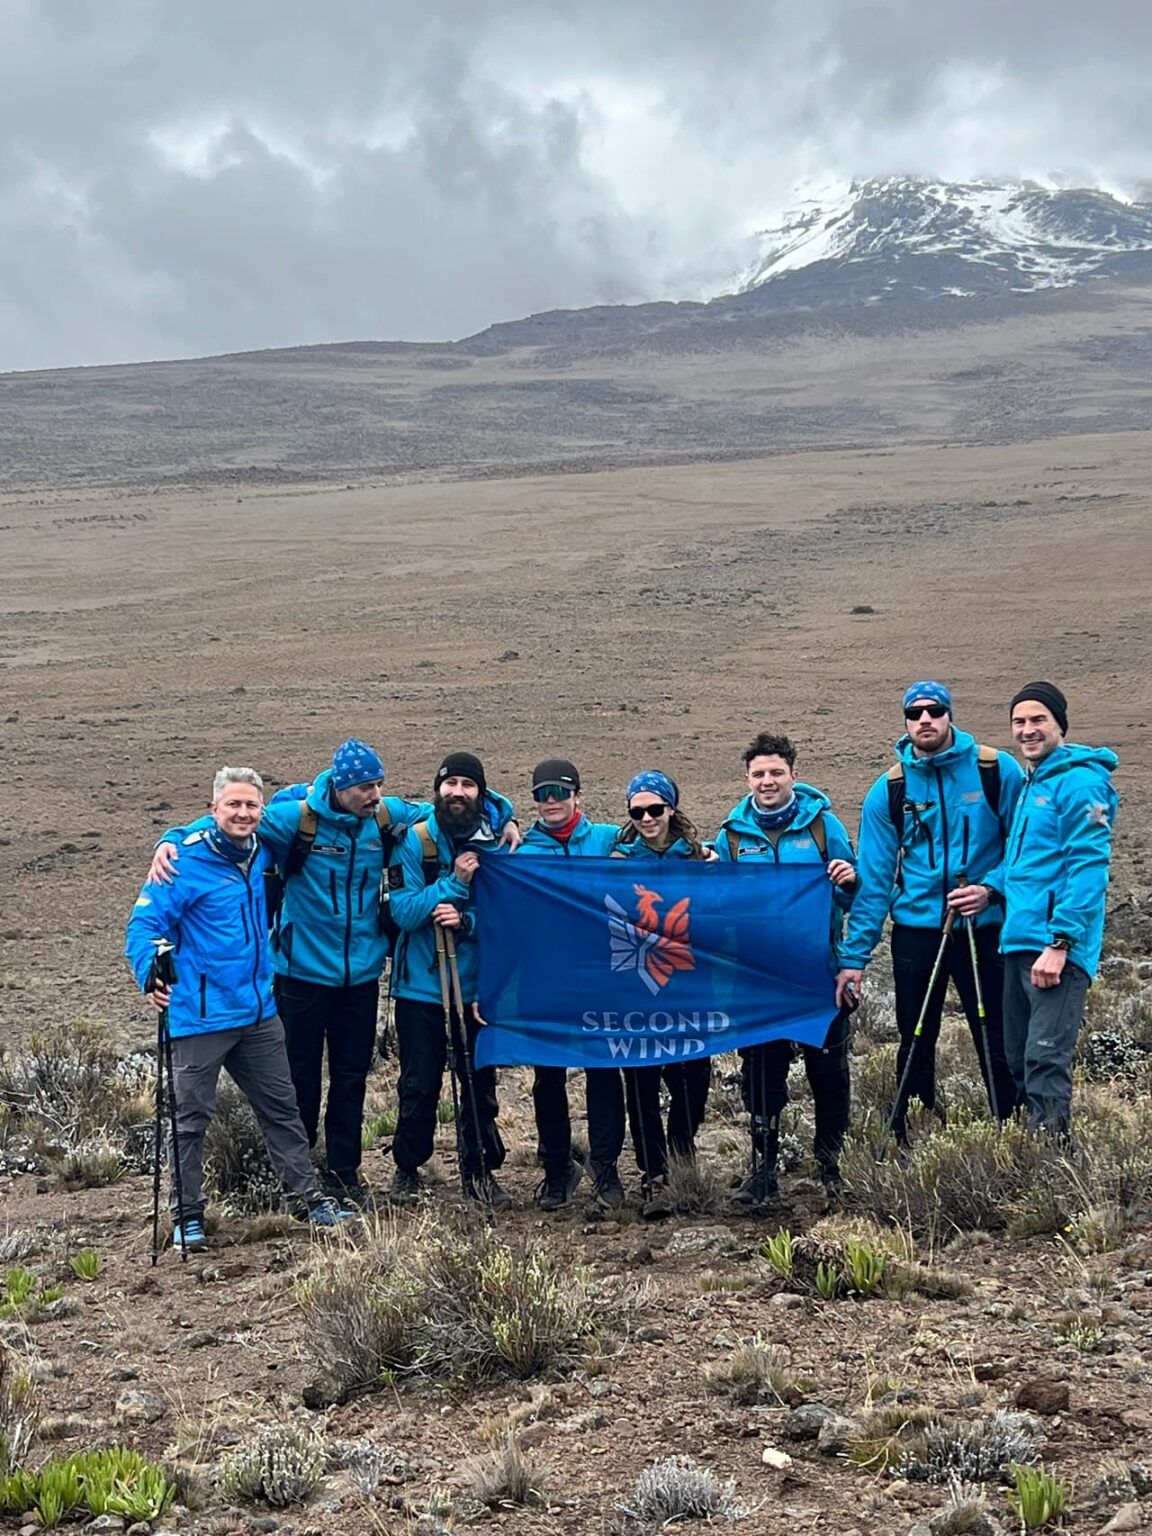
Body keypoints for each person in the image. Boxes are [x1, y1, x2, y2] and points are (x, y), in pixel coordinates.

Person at [146, 740, 519, 1207]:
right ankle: (298, 1182)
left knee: (351, 1076)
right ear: (342, 786)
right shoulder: (294, 820)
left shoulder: (385, 817)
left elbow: (452, 802)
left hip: (360, 976)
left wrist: (507, 816)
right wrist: (173, 839)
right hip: (300, 973)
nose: (377, 795)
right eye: (367, 787)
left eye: (380, 785)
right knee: (299, 1080)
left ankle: (344, 1173)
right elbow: (236, 820)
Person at [125, 767, 353, 1250]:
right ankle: (187, 1217)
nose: (243, 813)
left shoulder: (264, 849)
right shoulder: (181, 863)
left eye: (251, 805)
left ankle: (307, 1199)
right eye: (233, 805)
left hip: (257, 1013)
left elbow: (310, 793)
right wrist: (150, 973)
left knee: (282, 1108)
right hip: (199, 1016)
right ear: (214, 809)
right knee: (190, 1121)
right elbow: (143, 927)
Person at [836, 682, 1023, 1139]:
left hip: (986, 927)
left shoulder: (995, 769)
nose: (924, 719)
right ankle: (913, 1133)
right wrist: (854, 959)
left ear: (949, 715)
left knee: (998, 1037)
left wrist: (990, 890)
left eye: (934, 711)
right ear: (905, 721)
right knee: (915, 1037)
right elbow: (875, 880)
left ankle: (1014, 1130)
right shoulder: (891, 788)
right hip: (917, 930)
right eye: (914, 713)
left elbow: (1024, 848)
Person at [949, 683, 1118, 1136]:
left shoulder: (1080, 782)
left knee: (1045, 1060)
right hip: (1019, 940)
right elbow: (1029, 863)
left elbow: (1087, 870)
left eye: (1038, 719)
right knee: (1019, 1058)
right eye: (1019, 722)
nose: (1027, 730)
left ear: (1060, 724)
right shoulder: (1033, 782)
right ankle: (1032, 1156)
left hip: (1054, 948)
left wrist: (1061, 942)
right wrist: (990, 889)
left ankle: (1052, 1175)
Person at [715, 734, 857, 1204]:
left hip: (819, 974)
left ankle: (833, 1167)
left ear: (793, 773)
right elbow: (718, 905)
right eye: (759, 773)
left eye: (776, 772)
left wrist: (848, 880)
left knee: (829, 1075)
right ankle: (763, 1171)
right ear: (747, 779)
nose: (768, 781)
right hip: (758, 978)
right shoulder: (732, 835)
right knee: (760, 1076)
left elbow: (856, 893)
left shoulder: (822, 827)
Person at [387, 752, 512, 1209]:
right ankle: (407, 1166)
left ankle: (479, 1168)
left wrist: (467, 921)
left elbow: (505, 911)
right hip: (420, 985)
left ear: (481, 792)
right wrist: (453, 886)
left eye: (468, 784)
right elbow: (402, 910)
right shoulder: (414, 839)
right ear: (437, 789)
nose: (457, 792)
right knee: (419, 1082)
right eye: (450, 783)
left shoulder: (496, 840)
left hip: (475, 985)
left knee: (479, 1079)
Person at [515, 758, 618, 1211]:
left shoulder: (610, 839)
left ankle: (606, 1170)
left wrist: (704, 854)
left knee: (602, 1072)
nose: (551, 802)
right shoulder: (521, 854)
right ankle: (557, 1170)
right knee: (547, 1078)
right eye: (542, 794)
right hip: (546, 980)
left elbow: (664, 852)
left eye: (559, 792)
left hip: (602, 976)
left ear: (578, 793)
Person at [612, 771, 716, 1215]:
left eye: (655, 809)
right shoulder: (616, 858)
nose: (647, 818)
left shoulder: (700, 856)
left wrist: (719, 876)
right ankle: (653, 1172)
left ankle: (682, 1150)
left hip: (690, 983)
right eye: (638, 812)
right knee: (642, 1082)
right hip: (636, 986)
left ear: (671, 808)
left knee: (692, 1077)